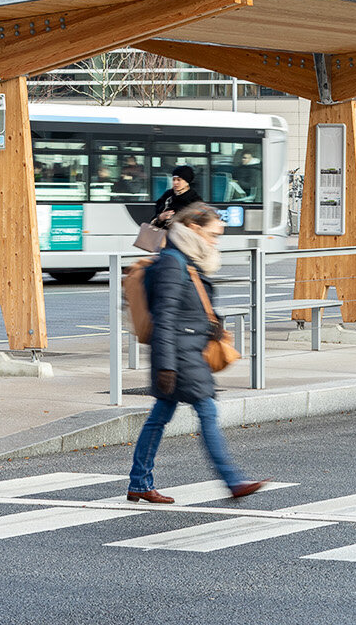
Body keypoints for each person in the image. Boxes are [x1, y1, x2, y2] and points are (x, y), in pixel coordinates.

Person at [126, 203, 266, 504]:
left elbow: (189, 305)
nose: (215, 241)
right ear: (193, 228)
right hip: (179, 354)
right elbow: (164, 316)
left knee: (159, 417)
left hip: (186, 349)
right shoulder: (173, 262)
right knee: (207, 411)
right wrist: (165, 366)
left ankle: (139, 482)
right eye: (213, 234)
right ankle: (232, 481)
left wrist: (210, 323)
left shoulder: (184, 258)